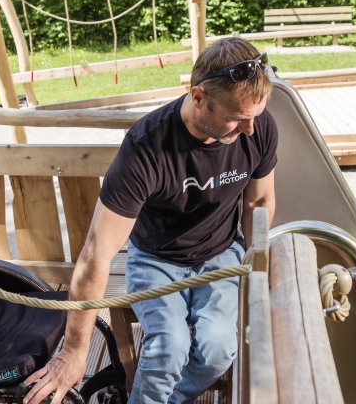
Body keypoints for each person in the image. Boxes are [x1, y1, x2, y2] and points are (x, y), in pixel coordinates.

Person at [24, 37, 279, 404]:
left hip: (222, 254)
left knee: (218, 351)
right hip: (157, 258)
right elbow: (97, 252)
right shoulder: (146, 147)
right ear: (197, 98)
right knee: (168, 349)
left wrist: (257, 266)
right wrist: (74, 351)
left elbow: (260, 201)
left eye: (255, 116)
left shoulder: (259, 126)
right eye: (238, 118)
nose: (251, 130)